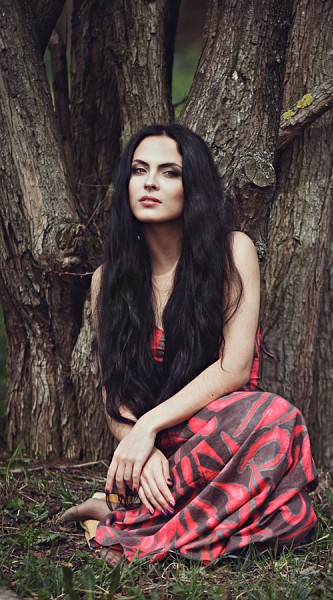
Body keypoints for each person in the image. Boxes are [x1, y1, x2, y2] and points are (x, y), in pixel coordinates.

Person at [60, 124, 318, 566]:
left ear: (193, 186)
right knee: (276, 502)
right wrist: (143, 448)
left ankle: (123, 519)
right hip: (159, 449)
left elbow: (234, 369)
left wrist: (147, 428)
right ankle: (143, 530)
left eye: (169, 172)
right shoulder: (109, 280)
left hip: (228, 436)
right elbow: (115, 393)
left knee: (286, 491)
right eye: (139, 170)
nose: (150, 183)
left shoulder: (232, 253)